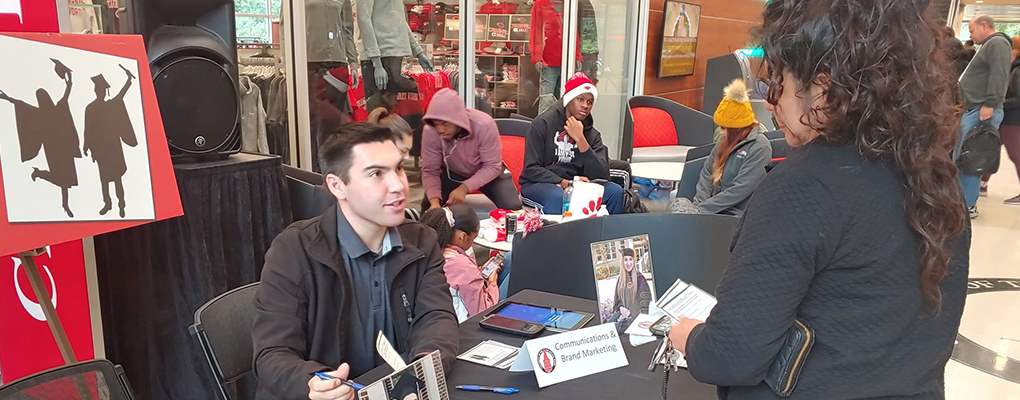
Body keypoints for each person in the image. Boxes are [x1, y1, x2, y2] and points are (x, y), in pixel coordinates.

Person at [666, 1, 970, 398]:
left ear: (823, 91)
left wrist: (689, 337)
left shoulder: (806, 185)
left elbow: (731, 354)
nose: (772, 103)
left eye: (780, 81)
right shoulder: (933, 173)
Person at [252, 123, 459, 400]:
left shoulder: (422, 240)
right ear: (337, 186)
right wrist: (313, 383)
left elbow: (436, 316)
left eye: (398, 168)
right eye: (376, 174)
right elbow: (272, 353)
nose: (399, 185)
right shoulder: (293, 250)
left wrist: (424, 365)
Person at [519, 72, 623, 214]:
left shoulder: (591, 134)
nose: (585, 106)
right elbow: (531, 170)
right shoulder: (542, 124)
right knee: (559, 197)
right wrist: (563, 182)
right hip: (541, 184)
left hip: (577, 185)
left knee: (614, 192)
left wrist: (581, 140)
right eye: (580, 99)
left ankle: (607, 235)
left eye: (589, 102)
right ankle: (558, 236)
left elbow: (603, 175)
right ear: (568, 100)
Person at [667, 79, 772, 217]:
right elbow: (706, 176)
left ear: (737, 128)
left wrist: (702, 210)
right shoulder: (724, 143)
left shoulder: (760, 147)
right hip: (711, 213)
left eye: (724, 128)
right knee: (678, 205)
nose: (721, 132)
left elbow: (740, 190)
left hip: (736, 216)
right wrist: (697, 208)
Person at [421, 88, 523, 211]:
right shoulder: (430, 131)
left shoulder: (484, 124)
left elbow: (492, 166)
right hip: (451, 171)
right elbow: (430, 170)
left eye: (444, 124)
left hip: (487, 171)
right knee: (428, 208)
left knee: (512, 207)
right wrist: (434, 202)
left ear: (457, 119)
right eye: (436, 124)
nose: (440, 129)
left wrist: (464, 188)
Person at [0, 64, 80, 218]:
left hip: (63, 150)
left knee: (66, 180)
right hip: (54, 152)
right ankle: (43, 177)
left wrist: (69, 83)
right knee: (62, 178)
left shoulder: (54, 110)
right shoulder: (40, 114)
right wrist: (6, 98)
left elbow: (65, 96)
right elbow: (20, 104)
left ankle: (63, 201)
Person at [957, 14, 1012, 218]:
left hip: (982, 110)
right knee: (966, 157)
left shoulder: (997, 43)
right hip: (975, 108)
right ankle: (963, 201)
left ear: (984, 25)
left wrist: (990, 103)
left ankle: (969, 204)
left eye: (971, 30)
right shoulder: (990, 45)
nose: (970, 34)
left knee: (973, 158)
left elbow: (999, 75)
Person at [419, 205, 500, 321]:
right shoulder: (462, 266)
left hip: (433, 320)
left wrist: (477, 272)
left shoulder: (427, 251)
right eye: (473, 238)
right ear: (463, 236)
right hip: (466, 325)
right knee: (510, 260)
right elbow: (482, 312)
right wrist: (492, 283)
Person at [83, 67, 138, 218]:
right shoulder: (90, 108)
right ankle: (107, 203)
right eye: (97, 89)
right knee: (104, 179)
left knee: (117, 178)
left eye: (100, 89)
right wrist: (86, 145)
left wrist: (128, 80)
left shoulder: (111, 105)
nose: (98, 91)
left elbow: (121, 95)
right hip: (100, 149)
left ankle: (121, 203)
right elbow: (87, 128)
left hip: (113, 147)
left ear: (103, 91)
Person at [609, 248, 650, 331]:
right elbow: (616, 300)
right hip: (622, 315)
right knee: (607, 327)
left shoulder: (640, 279)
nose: (628, 263)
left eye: (630, 259)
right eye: (625, 260)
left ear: (634, 261)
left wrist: (629, 312)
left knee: (612, 330)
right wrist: (621, 308)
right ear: (622, 262)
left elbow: (645, 304)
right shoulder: (620, 280)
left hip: (635, 319)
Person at [1000, 35, 1020, 206]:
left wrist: (1000, 102)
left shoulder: (1018, 70)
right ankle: (983, 182)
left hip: (1013, 119)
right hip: (1009, 118)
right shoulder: (1014, 68)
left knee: (1016, 155)